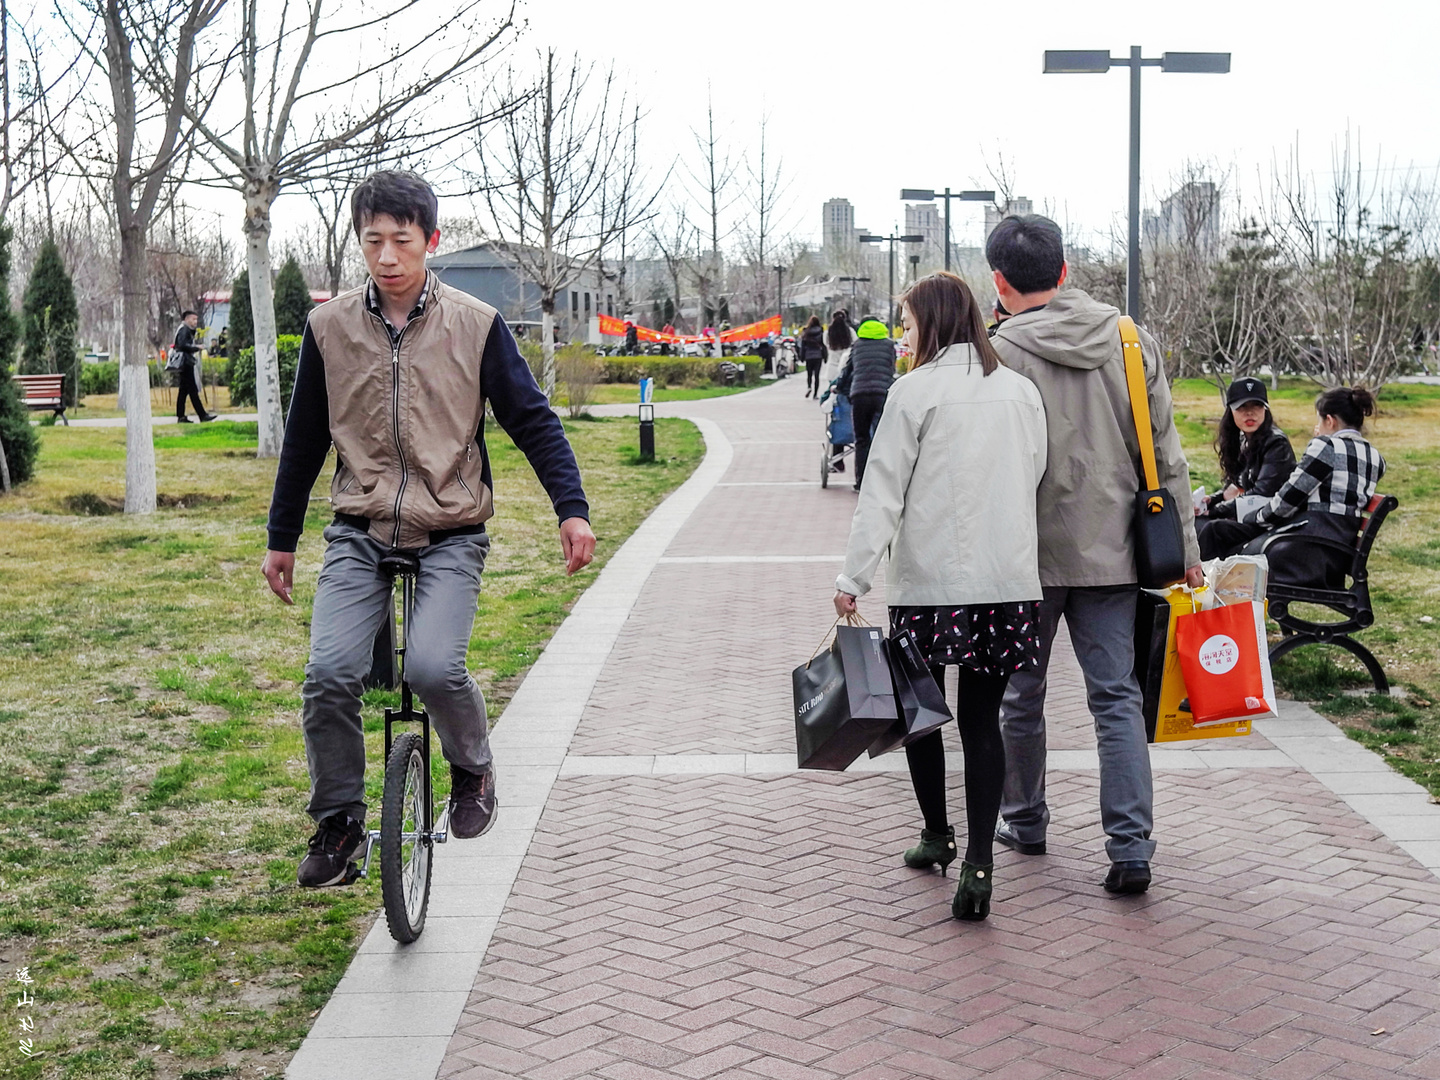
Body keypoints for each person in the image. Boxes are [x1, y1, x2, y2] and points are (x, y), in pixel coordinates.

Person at [260, 170, 595, 888]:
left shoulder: (475, 325)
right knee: (328, 675)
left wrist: (572, 510)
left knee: (432, 668)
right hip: (360, 529)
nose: (386, 256)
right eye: (372, 240)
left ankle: (472, 769)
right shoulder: (330, 328)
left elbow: (532, 421)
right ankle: (340, 821)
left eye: (401, 240)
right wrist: (280, 538)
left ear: (430, 242)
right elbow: (304, 439)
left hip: (451, 529)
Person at [986, 214, 1202, 897]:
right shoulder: (1128, 339)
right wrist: (1188, 550)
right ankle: (1131, 848)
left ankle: (1025, 818)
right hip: (1117, 552)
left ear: (998, 281)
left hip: (1028, 556)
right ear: (1065, 269)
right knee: (1117, 699)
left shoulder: (999, 353)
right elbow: (1163, 453)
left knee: (1021, 696)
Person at [832, 272, 1048, 921]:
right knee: (983, 723)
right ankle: (980, 862)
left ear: (931, 321)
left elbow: (882, 493)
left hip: (929, 586)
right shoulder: (1020, 392)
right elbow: (1034, 473)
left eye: (907, 322)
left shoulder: (913, 392)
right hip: (1005, 585)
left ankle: (937, 833)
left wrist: (853, 578)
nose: (904, 335)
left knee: (917, 714)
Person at [1236, 387, 1386, 588]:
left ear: (1329, 421)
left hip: (1310, 551)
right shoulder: (1376, 457)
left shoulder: (1326, 447)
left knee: (1236, 555)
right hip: (1339, 552)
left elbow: (1288, 499)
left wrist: (1253, 518)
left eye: (1319, 421)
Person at [1194, 377, 1297, 560]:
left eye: (1256, 406)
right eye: (1242, 407)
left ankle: (1205, 583)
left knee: (1214, 529)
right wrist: (1212, 500)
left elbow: (1262, 493)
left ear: (1265, 409)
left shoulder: (1276, 442)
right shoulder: (1243, 439)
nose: (1250, 413)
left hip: (1270, 519)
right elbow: (1237, 483)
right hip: (1251, 515)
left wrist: (1218, 509)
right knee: (1197, 521)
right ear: (1231, 411)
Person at [836, 314, 895, 491]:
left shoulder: (857, 345)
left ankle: (861, 482)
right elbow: (891, 368)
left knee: (861, 439)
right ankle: (881, 481)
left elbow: (848, 370)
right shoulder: (889, 344)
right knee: (880, 438)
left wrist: (838, 387)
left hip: (859, 394)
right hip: (881, 394)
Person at [173, 310, 215, 423]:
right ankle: (202, 415)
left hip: (186, 363)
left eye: (196, 319)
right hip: (186, 363)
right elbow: (181, 345)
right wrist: (196, 347)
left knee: (184, 391)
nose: (195, 322)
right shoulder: (183, 329)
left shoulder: (186, 329)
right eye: (193, 319)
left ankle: (181, 416)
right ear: (186, 319)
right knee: (192, 390)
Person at [798, 315, 826, 396]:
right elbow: (823, 345)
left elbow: (803, 346)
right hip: (818, 355)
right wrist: (825, 357)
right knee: (817, 376)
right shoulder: (821, 331)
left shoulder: (806, 332)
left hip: (808, 355)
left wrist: (802, 357)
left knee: (809, 374)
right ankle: (815, 394)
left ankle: (809, 387)